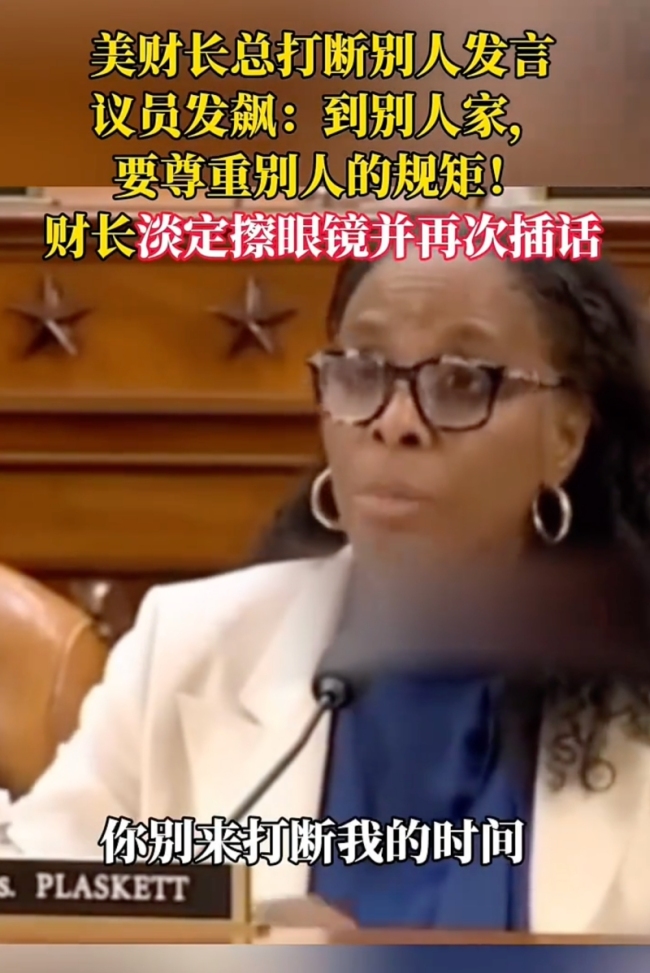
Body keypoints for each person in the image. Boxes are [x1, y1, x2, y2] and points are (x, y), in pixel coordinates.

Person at [4, 248, 650, 935]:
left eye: (463, 380)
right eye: (363, 372)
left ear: (566, 434)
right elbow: (27, 908)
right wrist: (220, 945)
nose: (395, 420)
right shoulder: (191, 647)